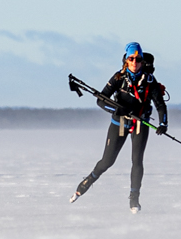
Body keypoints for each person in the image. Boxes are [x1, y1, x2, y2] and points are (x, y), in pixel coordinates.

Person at [71, 43, 169, 212]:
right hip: (119, 123)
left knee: (137, 161)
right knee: (107, 161)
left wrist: (163, 124)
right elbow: (101, 100)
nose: (134, 62)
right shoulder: (118, 78)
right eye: (131, 59)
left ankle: (134, 199)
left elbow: (160, 104)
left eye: (138, 60)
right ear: (126, 60)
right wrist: (117, 109)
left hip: (140, 123)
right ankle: (85, 183)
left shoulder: (150, 81)